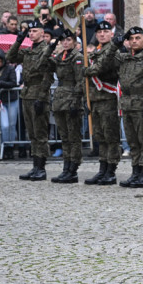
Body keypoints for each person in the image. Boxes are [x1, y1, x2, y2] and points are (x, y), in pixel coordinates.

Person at [107, 27, 143, 188]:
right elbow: (107, 59)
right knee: (133, 142)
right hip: (127, 104)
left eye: (137, 38)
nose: (134, 41)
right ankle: (135, 172)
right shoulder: (124, 58)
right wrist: (115, 44)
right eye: (131, 38)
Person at [7, 21, 56, 180]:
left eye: (35, 31)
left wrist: (42, 98)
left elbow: (47, 77)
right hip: (27, 93)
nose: (31, 34)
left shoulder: (46, 50)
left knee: (40, 132)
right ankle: (35, 166)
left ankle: (41, 167)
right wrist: (18, 40)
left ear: (42, 33)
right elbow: (10, 57)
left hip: (38, 94)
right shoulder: (28, 51)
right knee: (32, 133)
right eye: (30, 31)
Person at [82, 21, 124, 185]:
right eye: (99, 32)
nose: (102, 34)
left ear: (111, 34)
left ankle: (111, 171)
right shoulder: (97, 51)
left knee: (111, 136)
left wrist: (88, 70)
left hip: (108, 99)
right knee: (100, 136)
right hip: (96, 100)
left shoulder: (114, 52)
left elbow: (101, 68)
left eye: (106, 32)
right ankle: (102, 169)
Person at [46, 31, 84, 183]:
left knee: (73, 137)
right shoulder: (60, 57)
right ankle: (66, 168)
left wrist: (76, 102)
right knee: (65, 137)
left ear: (75, 42)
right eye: (63, 40)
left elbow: (80, 81)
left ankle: (73, 169)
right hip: (60, 100)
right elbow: (45, 62)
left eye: (68, 40)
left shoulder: (77, 57)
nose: (65, 43)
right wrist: (51, 47)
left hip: (71, 100)